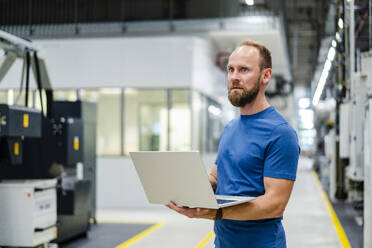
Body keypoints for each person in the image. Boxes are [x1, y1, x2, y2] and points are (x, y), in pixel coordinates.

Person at [167, 40, 300, 248]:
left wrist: (217, 212)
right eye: (231, 70)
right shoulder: (230, 128)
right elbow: (216, 177)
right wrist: (186, 189)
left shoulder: (280, 133)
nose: (234, 77)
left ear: (265, 76)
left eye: (244, 70)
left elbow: (275, 204)